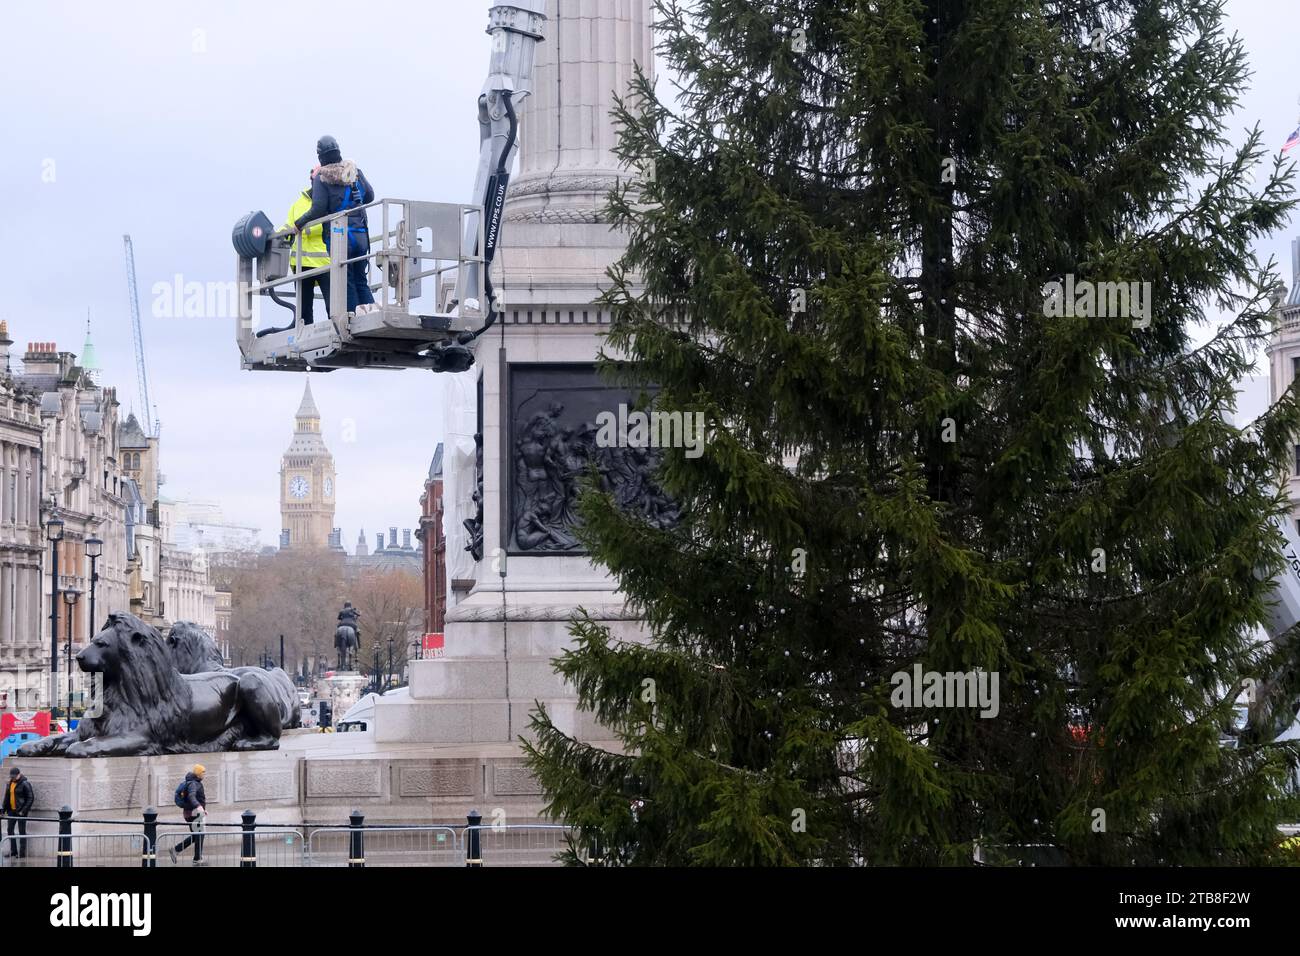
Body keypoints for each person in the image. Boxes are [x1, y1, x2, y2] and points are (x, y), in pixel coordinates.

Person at [293, 136, 376, 316]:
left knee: (347, 280)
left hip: (340, 237)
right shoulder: (355, 172)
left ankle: (353, 317)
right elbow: (370, 195)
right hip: (361, 234)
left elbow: (318, 208)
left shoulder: (321, 177)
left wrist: (299, 223)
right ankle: (371, 315)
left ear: (320, 156)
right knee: (361, 279)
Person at [281, 168, 331, 324]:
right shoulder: (298, 204)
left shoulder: (328, 201)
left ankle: (336, 331)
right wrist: (277, 235)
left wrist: (301, 225)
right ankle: (305, 339)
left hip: (325, 263)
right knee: (304, 312)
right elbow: (288, 226)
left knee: (333, 307)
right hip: (301, 263)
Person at [169, 765, 207, 865]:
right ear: (198, 774)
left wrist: (202, 809)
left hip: (193, 813)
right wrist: (199, 806)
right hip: (193, 813)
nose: (204, 774)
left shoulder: (193, 782)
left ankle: (176, 850)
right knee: (199, 835)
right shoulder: (193, 784)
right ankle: (197, 859)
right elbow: (191, 796)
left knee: (197, 836)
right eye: (203, 772)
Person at [1, 767, 33, 858]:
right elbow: (6, 797)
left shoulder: (25, 783)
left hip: (21, 811)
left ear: (19, 774)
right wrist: (3, 810)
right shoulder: (10, 783)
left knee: (21, 831)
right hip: (11, 810)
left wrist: (23, 811)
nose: (13, 778)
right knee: (9, 829)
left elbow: (30, 798)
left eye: (15, 776)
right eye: (12, 776)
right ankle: (13, 851)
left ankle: (22, 853)